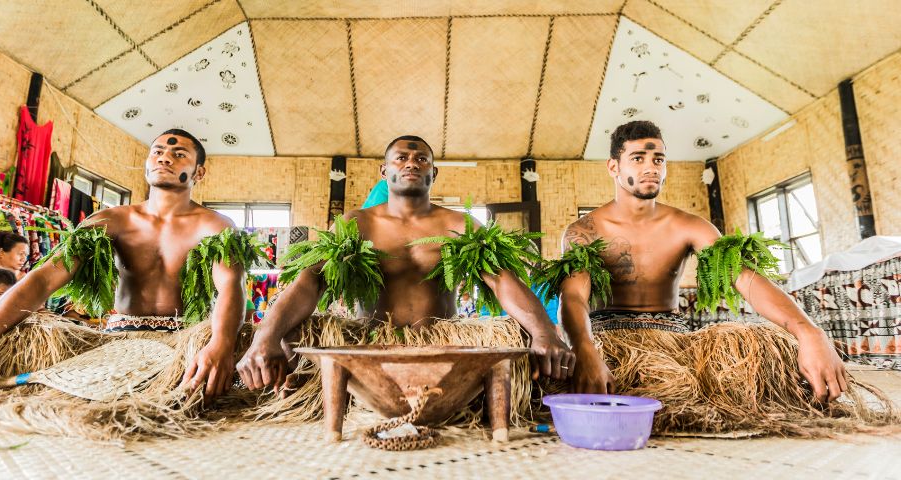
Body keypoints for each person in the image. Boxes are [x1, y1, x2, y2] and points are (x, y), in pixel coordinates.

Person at [553, 120, 892, 434]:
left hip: (670, 341)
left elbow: (743, 278)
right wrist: (584, 349)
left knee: (768, 352)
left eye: (658, 159)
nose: (650, 167)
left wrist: (808, 330)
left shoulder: (688, 225)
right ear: (614, 167)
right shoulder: (586, 230)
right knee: (543, 367)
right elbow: (573, 297)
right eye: (638, 158)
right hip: (606, 341)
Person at [0, 128, 248, 406]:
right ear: (148, 162)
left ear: (199, 172)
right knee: (21, 345)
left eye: (179, 154)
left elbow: (230, 286)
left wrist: (221, 344)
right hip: (120, 338)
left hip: (184, 340)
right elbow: (43, 279)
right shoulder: (111, 220)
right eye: (158, 151)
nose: (165, 158)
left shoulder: (215, 225)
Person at [238, 135, 573, 392]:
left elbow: (501, 280)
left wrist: (544, 332)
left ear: (433, 172)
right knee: (292, 336)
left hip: (442, 344)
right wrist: (263, 338)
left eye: (421, 159)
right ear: (385, 171)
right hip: (369, 345)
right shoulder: (357, 222)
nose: (412, 163)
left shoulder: (459, 224)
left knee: (517, 339)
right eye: (402, 158)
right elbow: (310, 281)